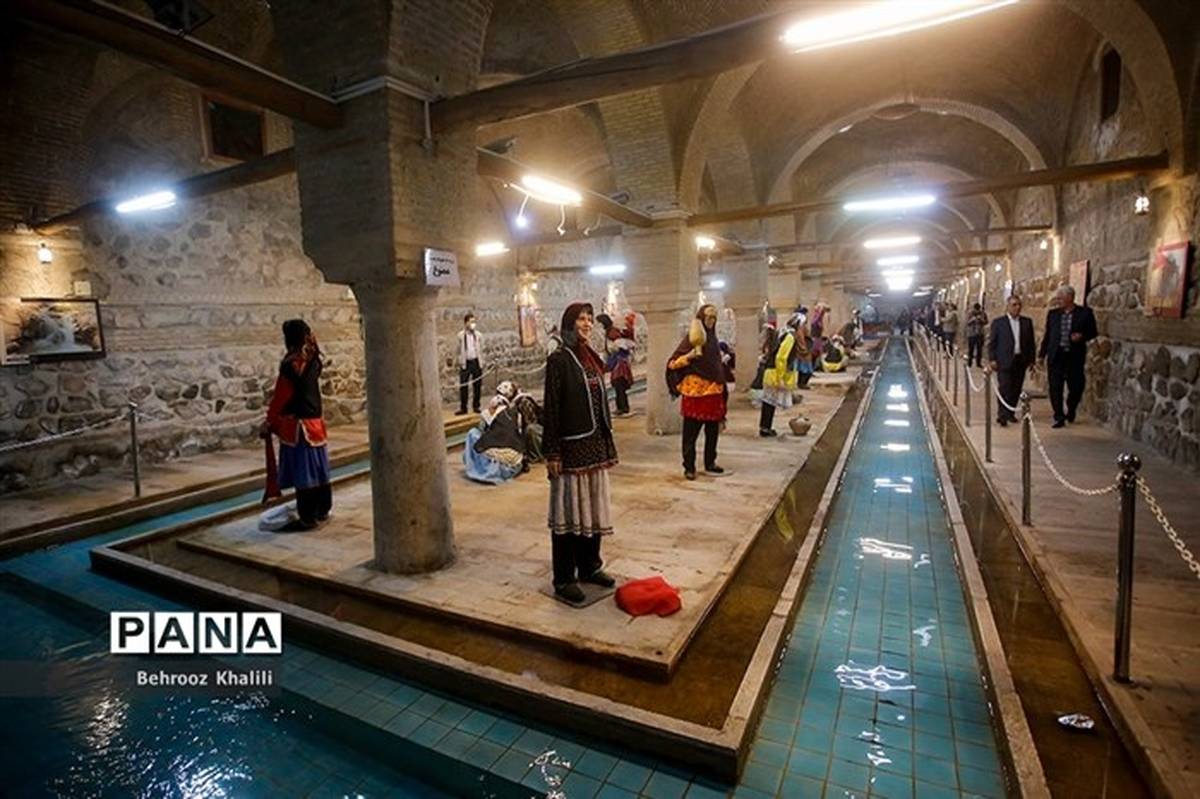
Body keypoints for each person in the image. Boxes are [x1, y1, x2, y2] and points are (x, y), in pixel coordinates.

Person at [543, 302, 617, 604]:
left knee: (593, 507)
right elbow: (552, 406)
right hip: (571, 447)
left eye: (589, 319)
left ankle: (590, 566)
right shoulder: (559, 359)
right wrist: (552, 452)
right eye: (581, 319)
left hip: (595, 445)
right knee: (570, 512)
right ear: (569, 324)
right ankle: (564, 578)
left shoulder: (590, 357)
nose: (587, 324)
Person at [261, 319, 332, 530]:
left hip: (299, 428)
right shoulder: (314, 361)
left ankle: (307, 518)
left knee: (305, 472)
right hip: (315, 424)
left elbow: (281, 396)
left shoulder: (290, 364)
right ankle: (322, 509)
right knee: (319, 469)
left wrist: (269, 421)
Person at [667, 304, 728, 480]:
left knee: (712, 432)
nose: (711, 321)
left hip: (713, 391)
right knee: (690, 434)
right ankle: (689, 467)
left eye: (714, 318)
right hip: (694, 392)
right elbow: (672, 363)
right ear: (701, 318)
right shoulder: (691, 339)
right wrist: (690, 356)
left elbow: (715, 365)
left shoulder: (713, 340)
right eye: (708, 317)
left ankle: (710, 462)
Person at [1038, 284, 1097, 428]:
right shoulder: (1053, 314)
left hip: (1074, 356)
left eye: (1061, 298)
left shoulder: (1085, 313)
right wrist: (1041, 355)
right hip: (1056, 355)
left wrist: (1082, 336)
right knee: (1055, 387)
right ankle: (1058, 416)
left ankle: (1071, 408)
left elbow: (1093, 332)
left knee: (1076, 386)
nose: (1058, 301)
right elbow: (1048, 335)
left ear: (1070, 298)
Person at [463, 381, 526, 484]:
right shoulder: (516, 413)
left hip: (499, 467)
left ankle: (475, 468)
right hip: (516, 465)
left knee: (472, 434)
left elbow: (482, 435)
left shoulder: (489, 412)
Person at [987, 296, 1036, 427]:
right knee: (1004, 387)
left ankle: (1010, 413)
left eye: (1019, 305)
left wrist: (1032, 360)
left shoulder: (1026, 322)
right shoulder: (999, 323)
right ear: (1008, 306)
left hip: (1020, 360)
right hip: (1004, 360)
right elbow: (992, 343)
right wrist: (992, 359)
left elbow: (1031, 343)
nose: (1017, 307)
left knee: (1016, 388)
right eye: (1014, 305)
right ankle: (1002, 415)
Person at [758, 314, 801, 437]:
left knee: (769, 402)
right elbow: (781, 357)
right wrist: (781, 377)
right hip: (774, 373)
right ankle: (765, 428)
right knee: (769, 402)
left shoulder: (785, 333)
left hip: (772, 372)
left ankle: (765, 427)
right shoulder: (790, 337)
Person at [597, 311, 636, 416]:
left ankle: (623, 408)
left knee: (619, 385)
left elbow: (620, 346)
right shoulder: (611, 331)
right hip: (619, 362)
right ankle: (622, 407)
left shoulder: (612, 332)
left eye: (600, 323)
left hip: (620, 363)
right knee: (619, 386)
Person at [456, 312, 484, 416]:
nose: (473, 324)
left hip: (476, 361)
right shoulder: (460, 336)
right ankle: (463, 407)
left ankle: (476, 406)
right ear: (466, 323)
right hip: (466, 362)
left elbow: (481, 348)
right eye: (471, 322)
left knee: (477, 385)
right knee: (463, 385)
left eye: (474, 322)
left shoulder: (478, 335)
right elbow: (458, 350)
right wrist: (459, 361)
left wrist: (481, 361)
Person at [965, 303, 988, 368]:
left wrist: (981, 319)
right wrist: (973, 319)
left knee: (979, 349)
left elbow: (986, 322)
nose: (977, 311)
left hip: (980, 333)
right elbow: (967, 322)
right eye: (976, 310)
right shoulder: (970, 313)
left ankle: (978, 363)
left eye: (978, 310)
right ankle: (969, 363)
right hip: (971, 334)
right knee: (971, 349)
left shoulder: (983, 313)